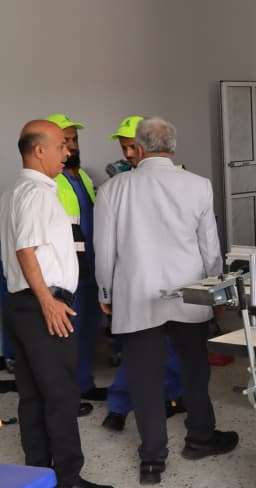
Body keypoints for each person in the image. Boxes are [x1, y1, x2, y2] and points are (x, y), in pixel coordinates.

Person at [94, 117, 238, 484]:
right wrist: (216, 291)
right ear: (172, 148)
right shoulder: (198, 185)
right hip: (189, 293)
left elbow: (104, 249)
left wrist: (105, 291)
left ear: (139, 149)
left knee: (144, 378)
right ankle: (200, 438)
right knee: (195, 369)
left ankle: (152, 461)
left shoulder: (113, 189)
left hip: (136, 295)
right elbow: (210, 248)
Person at [0, 119, 112, 488]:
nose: (67, 151)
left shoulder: (14, 191)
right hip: (42, 304)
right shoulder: (37, 192)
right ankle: (68, 478)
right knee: (61, 393)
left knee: (33, 394)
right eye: (61, 145)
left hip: (20, 303)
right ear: (38, 150)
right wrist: (48, 302)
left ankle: (39, 473)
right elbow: (25, 250)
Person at [100, 115, 185, 433]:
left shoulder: (177, 179)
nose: (127, 154)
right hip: (135, 279)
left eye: (131, 147)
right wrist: (107, 287)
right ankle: (119, 406)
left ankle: (172, 396)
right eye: (123, 148)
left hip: (172, 278)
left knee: (171, 346)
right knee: (136, 349)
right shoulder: (118, 183)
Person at [46, 113, 107, 415]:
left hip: (90, 267)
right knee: (67, 335)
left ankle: (83, 384)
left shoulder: (82, 177)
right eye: (65, 141)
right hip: (67, 272)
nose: (72, 146)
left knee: (86, 331)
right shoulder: (50, 182)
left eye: (74, 139)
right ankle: (66, 396)